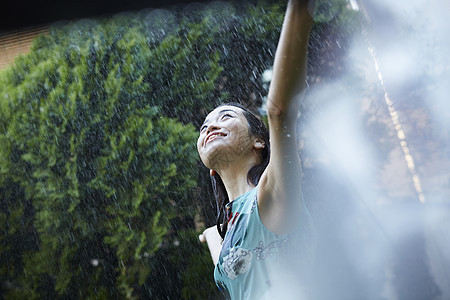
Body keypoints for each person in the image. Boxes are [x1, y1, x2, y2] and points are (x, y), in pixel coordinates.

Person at [198, 0, 314, 298]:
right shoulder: (226, 233)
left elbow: (279, 110)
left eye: (226, 117)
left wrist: (300, 8)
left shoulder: (272, 196)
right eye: (204, 127)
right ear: (210, 168)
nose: (210, 127)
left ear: (258, 141)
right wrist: (212, 235)